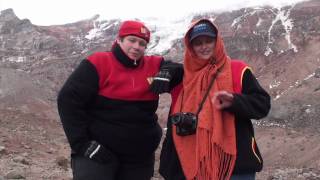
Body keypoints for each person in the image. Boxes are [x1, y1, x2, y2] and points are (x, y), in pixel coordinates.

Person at [57, 20, 182, 180]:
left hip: (139, 157)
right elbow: (68, 100)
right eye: (132, 40)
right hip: (99, 152)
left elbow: (181, 71)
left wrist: (168, 71)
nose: (137, 46)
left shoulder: (153, 64)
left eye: (142, 43)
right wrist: (81, 144)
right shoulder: (98, 63)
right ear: (119, 39)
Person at [158, 19, 271, 180]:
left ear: (217, 41)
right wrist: (166, 70)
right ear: (191, 48)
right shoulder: (182, 76)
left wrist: (234, 101)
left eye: (208, 41)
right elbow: (147, 69)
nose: (204, 46)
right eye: (198, 43)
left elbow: (262, 105)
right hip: (191, 164)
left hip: (233, 166)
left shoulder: (238, 70)